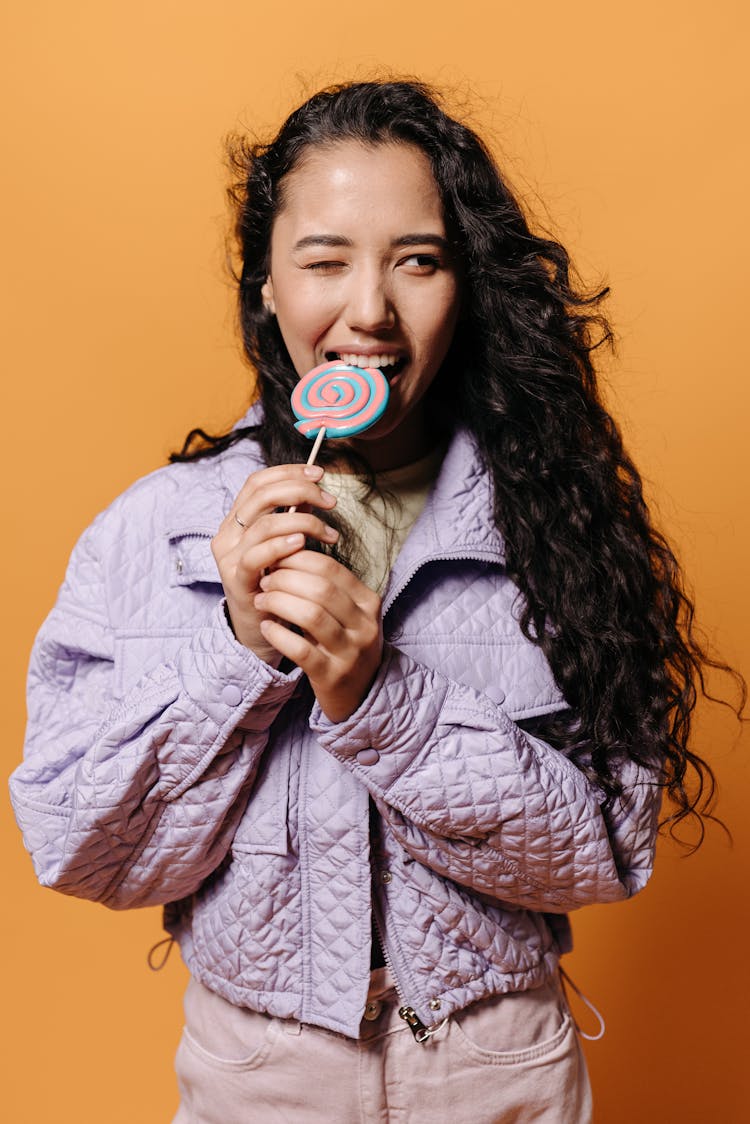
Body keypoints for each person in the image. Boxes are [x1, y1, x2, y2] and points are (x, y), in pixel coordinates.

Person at [9, 80, 739, 1123]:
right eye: (325, 260)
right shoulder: (154, 532)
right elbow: (84, 847)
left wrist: (376, 695)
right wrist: (235, 649)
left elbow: (609, 849)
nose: (369, 310)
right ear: (266, 282)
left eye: (418, 260)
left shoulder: (548, 525)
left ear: (466, 283)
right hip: (258, 1077)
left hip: (496, 1068)